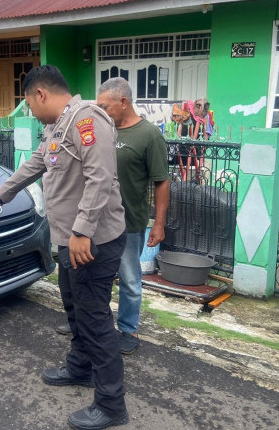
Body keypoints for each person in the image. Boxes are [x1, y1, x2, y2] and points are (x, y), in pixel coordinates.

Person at [0, 65, 129, 430]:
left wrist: (82, 230)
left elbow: (100, 178)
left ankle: (111, 404)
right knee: (75, 309)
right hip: (69, 241)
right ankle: (80, 367)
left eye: (29, 105)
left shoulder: (87, 121)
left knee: (94, 319)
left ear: (41, 94)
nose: (31, 112)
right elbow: (37, 163)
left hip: (92, 242)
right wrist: (3, 192)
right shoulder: (57, 127)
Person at [95, 77, 170, 354]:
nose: (101, 112)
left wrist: (158, 224)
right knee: (97, 277)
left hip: (129, 223)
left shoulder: (149, 135)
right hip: (97, 221)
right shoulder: (103, 131)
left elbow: (162, 181)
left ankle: (128, 329)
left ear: (123, 102)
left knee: (129, 279)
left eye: (105, 106)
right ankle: (94, 323)